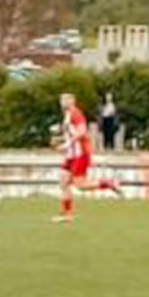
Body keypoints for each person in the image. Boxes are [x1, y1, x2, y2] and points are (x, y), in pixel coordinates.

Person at [54, 93, 123, 223]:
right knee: (63, 182)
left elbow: (82, 131)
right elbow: (72, 133)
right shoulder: (67, 114)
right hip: (71, 155)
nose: (62, 102)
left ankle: (108, 183)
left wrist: (67, 144)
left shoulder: (76, 113)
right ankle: (66, 215)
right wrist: (62, 140)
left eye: (66, 99)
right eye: (61, 99)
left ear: (73, 101)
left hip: (80, 153)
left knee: (80, 185)